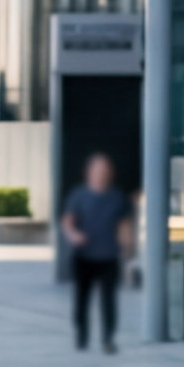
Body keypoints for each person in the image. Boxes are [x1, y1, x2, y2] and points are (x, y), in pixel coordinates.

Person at [62, 150, 129, 353]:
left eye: (106, 170)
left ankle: (108, 339)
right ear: (89, 172)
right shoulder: (79, 195)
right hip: (84, 257)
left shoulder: (116, 197)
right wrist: (74, 235)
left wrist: (127, 248)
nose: (102, 173)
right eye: (98, 169)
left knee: (109, 301)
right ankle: (82, 335)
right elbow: (68, 220)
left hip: (109, 257)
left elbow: (124, 225)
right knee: (82, 299)